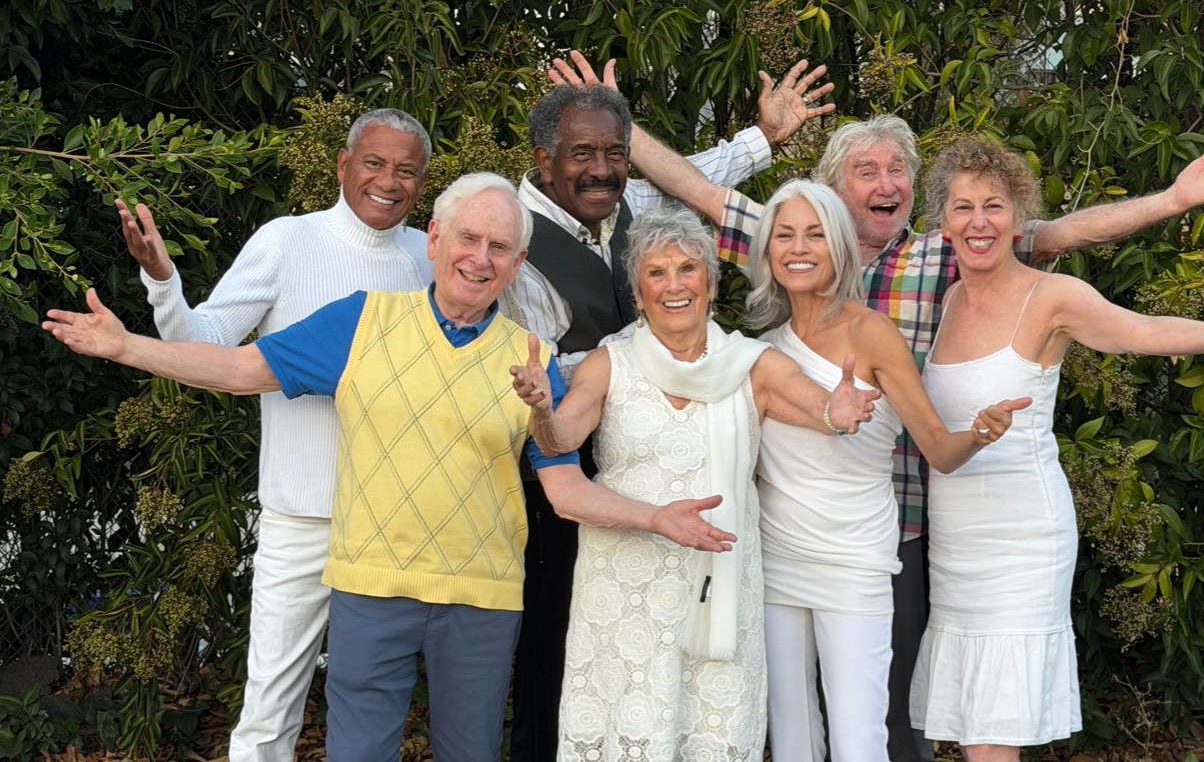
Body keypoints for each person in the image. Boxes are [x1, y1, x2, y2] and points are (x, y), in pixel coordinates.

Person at [603, 101, 1204, 760]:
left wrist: (1173, 200)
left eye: (898, 169)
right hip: (792, 532)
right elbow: (697, 192)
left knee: (892, 718)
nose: (885, 182)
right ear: (835, 190)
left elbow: (1059, 233)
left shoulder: (940, 258)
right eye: (865, 169)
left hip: (906, 522)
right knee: (789, 712)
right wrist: (611, 122)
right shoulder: (793, 236)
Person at [50, 174, 739, 762]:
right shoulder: (362, 321)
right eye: (467, 238)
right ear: (433, 239)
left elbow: (564, 488)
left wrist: (655, 517)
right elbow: (237, 369)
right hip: (370, 585)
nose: (480, 257)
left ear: (518, 259)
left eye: (499, 246)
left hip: (481, 600)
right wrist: (126, 347)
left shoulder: (530, 357)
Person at [908, 138, 1204, 761]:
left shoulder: (1052, 297)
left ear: (1019, 217)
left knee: (992, 731)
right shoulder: (947, 294)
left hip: (1022, 536)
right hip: (957, 538)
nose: (978, 222)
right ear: (943, 220)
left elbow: (1140, 333)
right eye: (963, 208)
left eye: (994, 206)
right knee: (970, 721)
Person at [508, 59, 834, 762]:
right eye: (581, 154)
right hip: (558, 469)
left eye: (612, 154)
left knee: (675, 671)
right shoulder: (509, 237)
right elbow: (522, 361)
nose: (601, 170)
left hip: (661, 462)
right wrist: (620, 368)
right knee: (558, 653)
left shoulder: (636, 205)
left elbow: (689, 175)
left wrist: (762, 138)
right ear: (543, 159)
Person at [118, 108, 436, 762]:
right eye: (373, 162)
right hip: (301, 516)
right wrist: (160, 278)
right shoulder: (287, 241)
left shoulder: (431, 256)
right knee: (269, 711)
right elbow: (204, 344)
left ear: (424, 182)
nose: (388, 180)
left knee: (375, 703)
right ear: (342, 165)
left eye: (406, 169)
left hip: (393, 524)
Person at [744, 179, 1029, 762]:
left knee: (859, 740)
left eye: (816, 234)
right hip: (776, 557)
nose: (799, 248)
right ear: (768, 252)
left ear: (840, 248)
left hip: (854, 558)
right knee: (791, 735)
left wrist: (979, 433)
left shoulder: (870, 332)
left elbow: (938, 449)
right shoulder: (762, 348)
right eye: (785, 235)